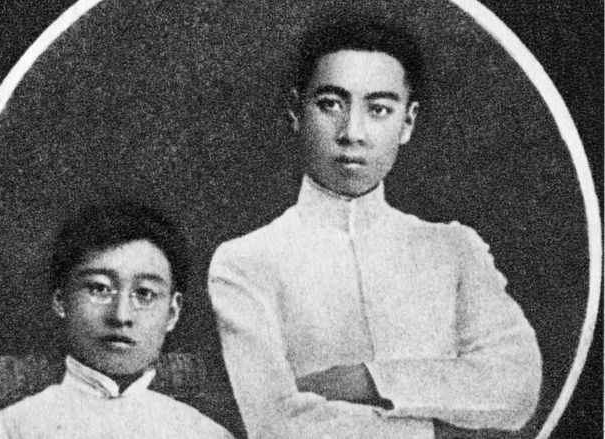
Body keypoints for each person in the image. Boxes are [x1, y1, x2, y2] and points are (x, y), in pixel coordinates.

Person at [208, 16, 542, 439]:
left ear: (408, 122)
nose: (353, 133)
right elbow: (276, 425)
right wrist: (440, 420)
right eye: (330, 104)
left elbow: (517, 387)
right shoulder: (245, 261)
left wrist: (364, 380)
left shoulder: (453, 249)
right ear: (296, 111)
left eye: (379, 109)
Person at [0, 203, 234, 439]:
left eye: (145, 293)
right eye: (99, 289)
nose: (121, 316)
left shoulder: (207, 434)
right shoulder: (10, 428)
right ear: (61, 300)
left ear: (172, 313)